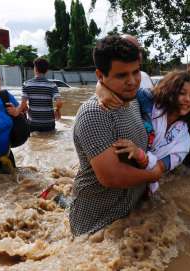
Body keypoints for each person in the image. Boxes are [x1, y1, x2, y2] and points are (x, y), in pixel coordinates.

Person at [69, 35, 164, 236]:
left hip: (131, 214)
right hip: (97, 223)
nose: (132, 81)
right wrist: (153, 174)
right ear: (100, 76)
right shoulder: (95, 113)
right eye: (121, 76)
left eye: (136, 72)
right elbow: (112, 177)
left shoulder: (136, 100)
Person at [96, 70, 190, 192]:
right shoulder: (148, 101)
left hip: (142, 181)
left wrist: (140, 155)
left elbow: (158, 169)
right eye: (182, 93)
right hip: (117, 167)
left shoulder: (184, 139)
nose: (188, 99)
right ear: (169, 91)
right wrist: (100, 90)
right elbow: (117, 90)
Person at [18, 57, 63, 132]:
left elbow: (23, 104)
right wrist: (57, 110)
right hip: (49, 124)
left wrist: (24, 109)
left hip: (33, 123)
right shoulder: (52, 85)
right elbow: (59, 102)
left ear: (35, 68)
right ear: (46, 70)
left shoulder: (27, 84)